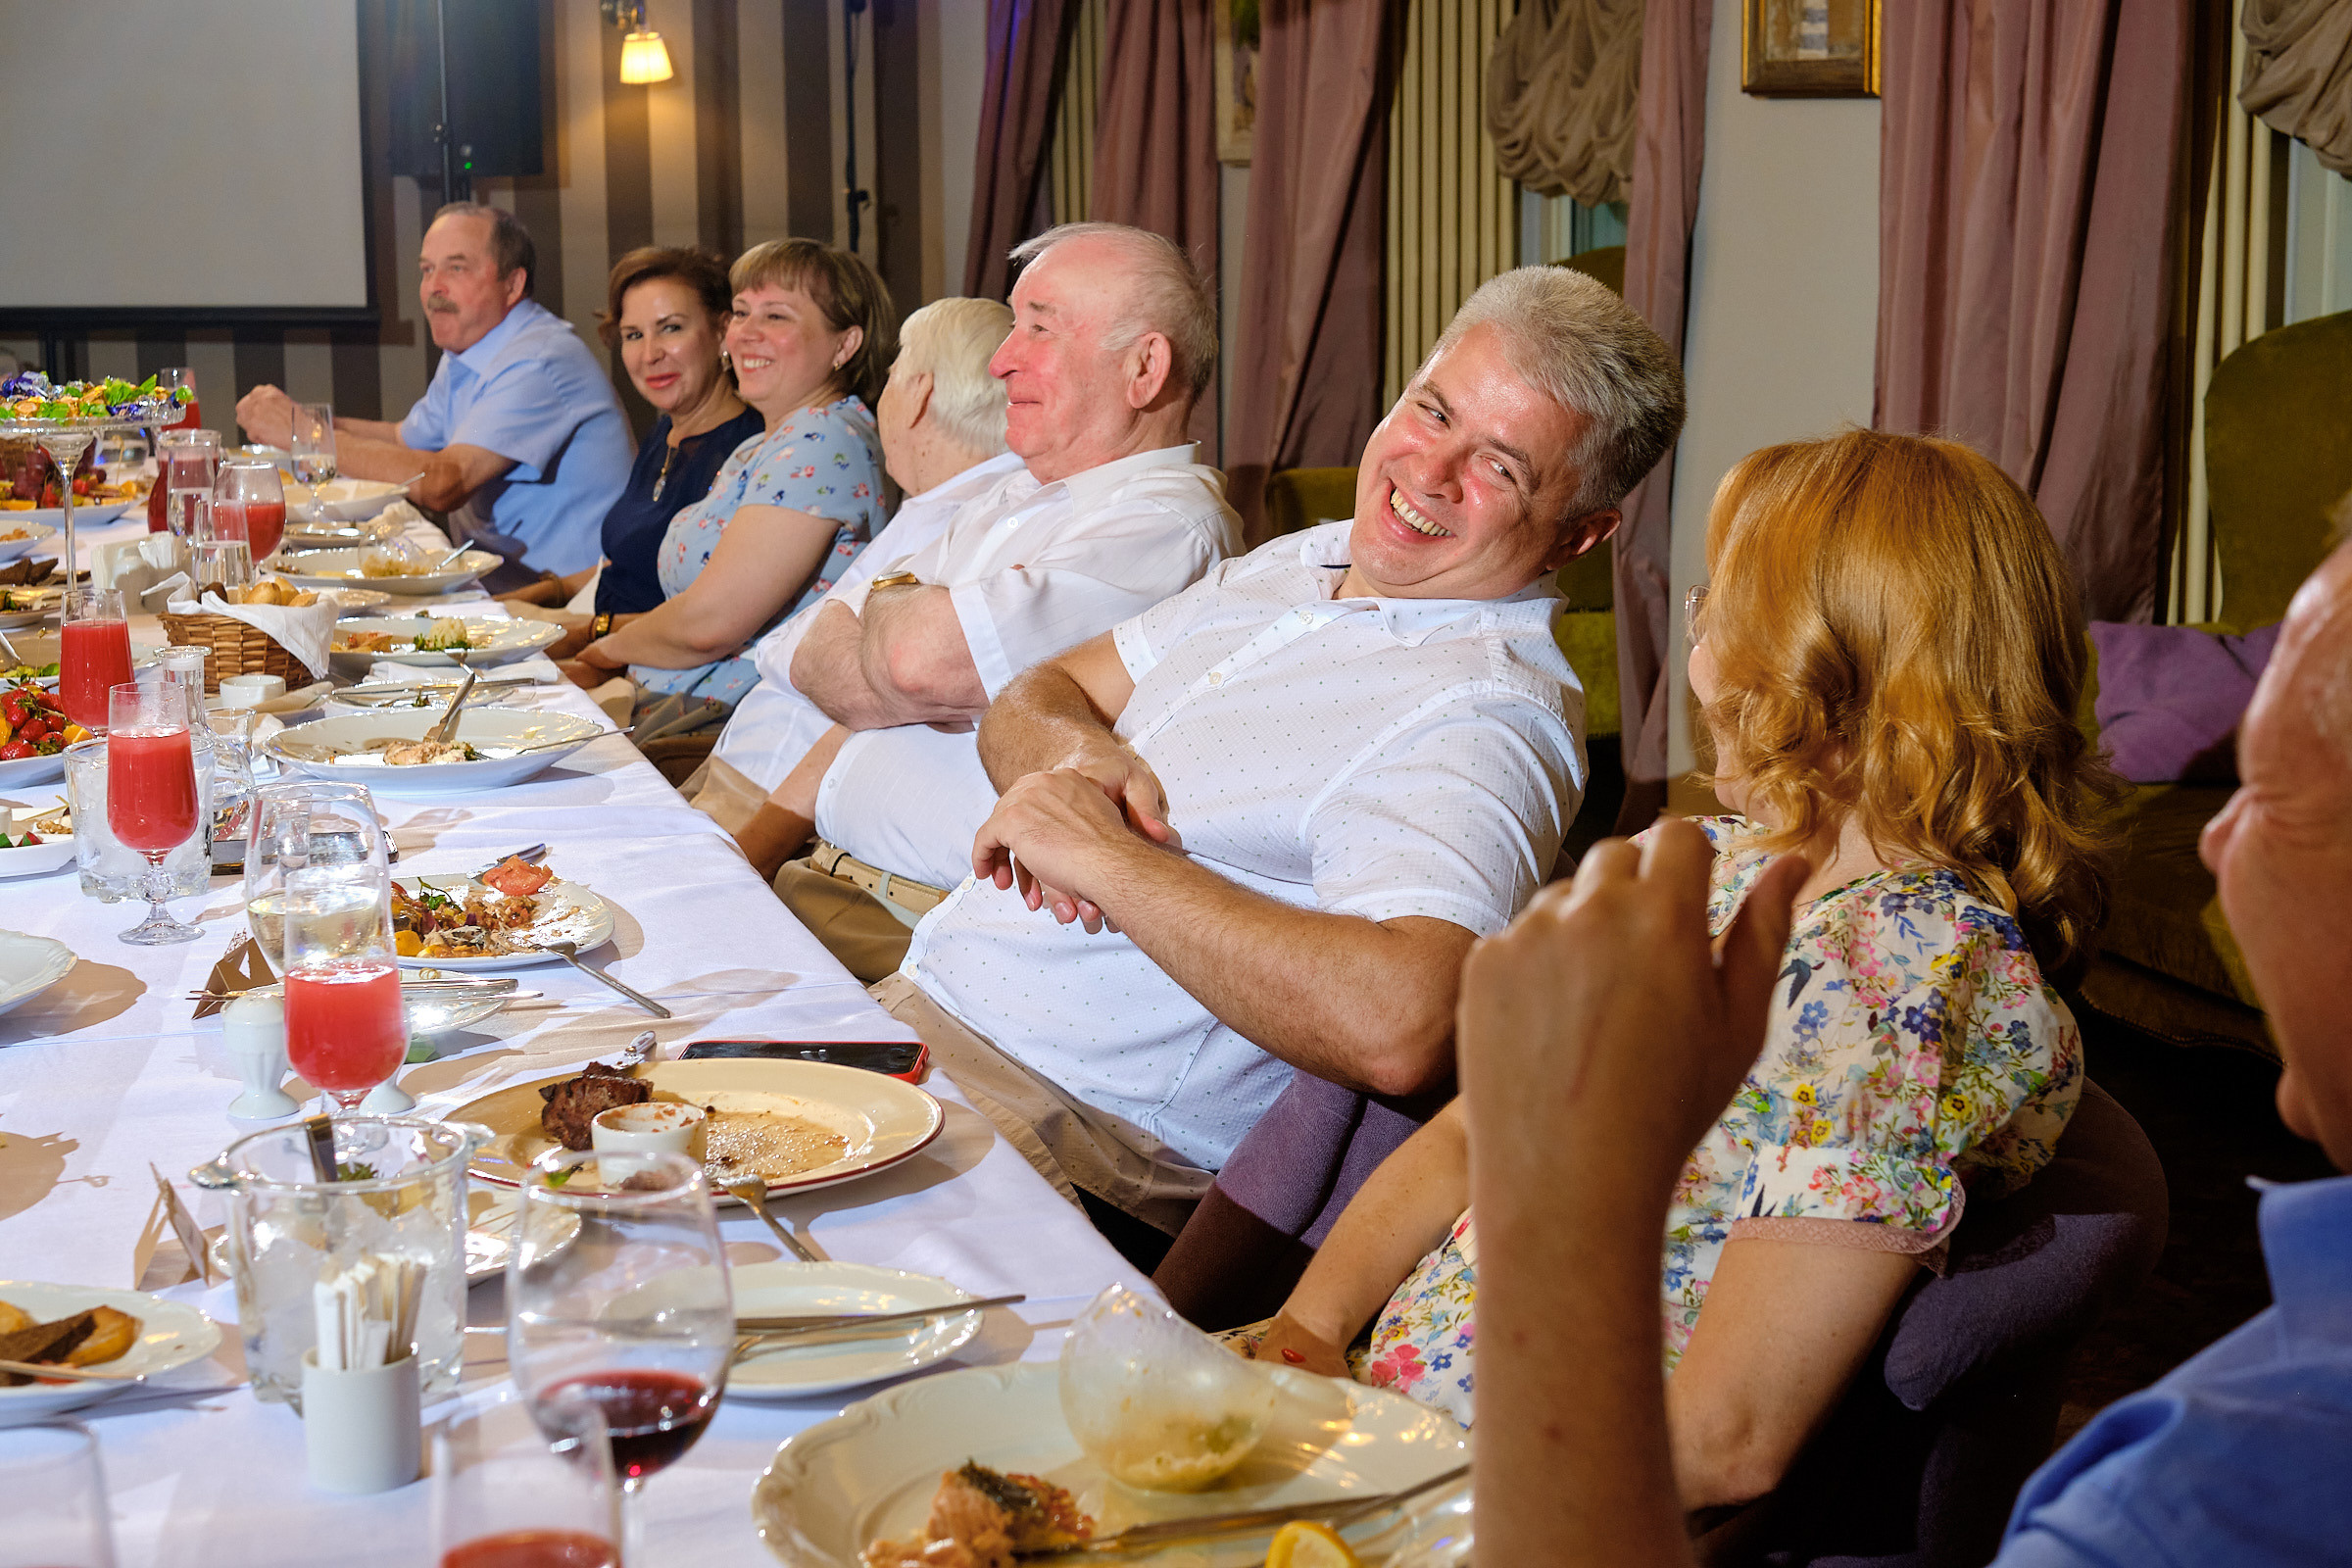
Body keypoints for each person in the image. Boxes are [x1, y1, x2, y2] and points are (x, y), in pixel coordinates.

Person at [1233, 431, 2113, 1520]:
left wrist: (1425, 1499)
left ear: (1815, 664)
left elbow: (1726, 1439)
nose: (1695, 645)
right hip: (1408, 1428)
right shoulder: (1714, 867)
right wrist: (1308, 1330)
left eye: (1717, 606)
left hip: (1532, 1504)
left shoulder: (1895, 980)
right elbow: (1478, 1133)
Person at [1463, 533, 2352, 1567]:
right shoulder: (1719, 862)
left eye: (2275, 796)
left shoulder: (2168, 1514)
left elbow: (1724, 1436)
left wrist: (1559, 1187)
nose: (2211, 838)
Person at [872, 266, 1685, 1255]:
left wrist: (1108, 858)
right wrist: (1084, 766)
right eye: (1433, 411)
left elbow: (1404, 1023)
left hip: (1070, 1139)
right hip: (922, 1019)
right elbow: (1035, 697)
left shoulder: (1489, 713)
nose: (1429, 472)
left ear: (1579, 535)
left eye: (1500, 468)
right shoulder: (1311, 559)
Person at [719, 223, 1241, 984]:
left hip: (918, 933)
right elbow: (817, 659)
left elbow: (912, 662)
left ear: (1144, 368)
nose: (1002, 360)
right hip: (818, 880)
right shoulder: (1017, 491)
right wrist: (743, 863)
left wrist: (889, 638)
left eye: (1038, 327)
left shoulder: (1160, 528)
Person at [687, 294, 1024, 833]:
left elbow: (858, 702)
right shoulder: (946, 504)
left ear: (919, 394)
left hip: (772, 814)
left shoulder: (967, 516)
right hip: (749, 782)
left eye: (891, 376)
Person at [556, 239, 893, 723]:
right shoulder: (764, 443)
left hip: (722, 724)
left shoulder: (823, 436)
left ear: (845, 344)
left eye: (775, 317)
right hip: (666, 700)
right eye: (740, 313)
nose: (746, 335)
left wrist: (601, 649)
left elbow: (709, 625)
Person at [236, 203, 632, 587]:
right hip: (502, 582)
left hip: (572, 599)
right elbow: (401, 439)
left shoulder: (538, 359)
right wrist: (299, 420)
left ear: (512, 285)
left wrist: (303, 433)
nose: (432, 289)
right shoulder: (474, 345)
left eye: (456, 268)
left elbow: (444, 483)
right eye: (427, 270)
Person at [503, 247, 763, 635]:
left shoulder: (748, 450)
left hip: (650, 670)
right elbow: (627, 565)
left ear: (723, 330)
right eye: (633, 335)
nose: (649, 354)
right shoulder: (667, 433)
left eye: (671, 328)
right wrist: (529, 598)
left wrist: (579, 630)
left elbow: (715, 618)